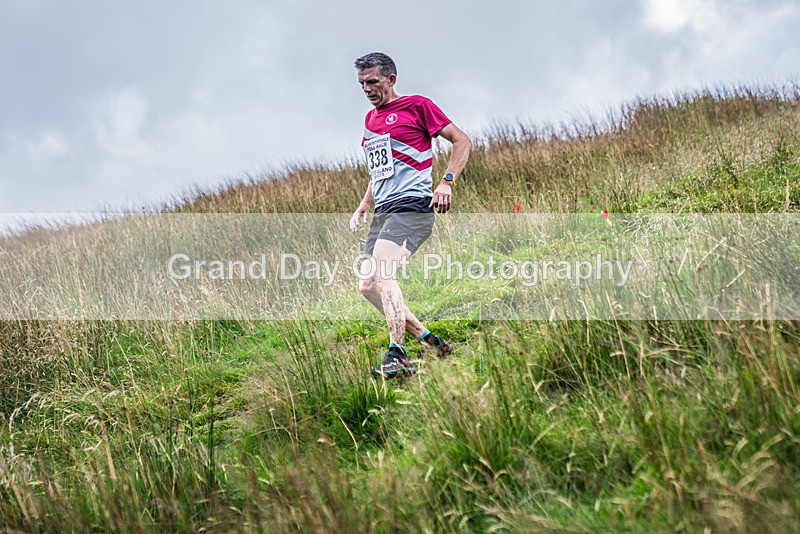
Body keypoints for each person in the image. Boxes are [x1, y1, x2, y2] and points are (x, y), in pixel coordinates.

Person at [349, 52, 472, 379]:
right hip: (383, 212)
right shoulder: (370, 121)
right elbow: (380, 170)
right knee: (367, 285)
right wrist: (364, 203)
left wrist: (447, 182)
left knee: (383, 271)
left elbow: (462, 141)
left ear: (391, 79)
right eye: (362, 84)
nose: (367, 89)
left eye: (373, 82)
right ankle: (431, 342)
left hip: (413, 205)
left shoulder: (417, 106)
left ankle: (398, 353)